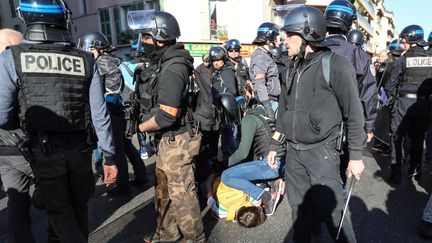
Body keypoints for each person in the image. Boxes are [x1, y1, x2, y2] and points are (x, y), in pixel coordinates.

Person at [0, 1, 118, 242]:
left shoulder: (12, 58)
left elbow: (2, 114)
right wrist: (109, 157)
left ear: (27, 17)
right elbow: (99, 115)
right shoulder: (86, 59)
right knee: (79, 210)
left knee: (60, 214)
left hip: (43, 151)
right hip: (81, 150)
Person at [272, 6, 366, 242]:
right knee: (300, 213)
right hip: (294, 154)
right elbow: (284, 111)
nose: (285, 40)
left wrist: (355, 155)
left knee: (334, 217)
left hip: (322, 153)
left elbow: (354, 112)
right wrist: (275, 145)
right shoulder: (290, 67)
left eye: (290, 34)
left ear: (307, 35)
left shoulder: (336, 65)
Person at [127, 10, 204, 242]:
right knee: (163, 191)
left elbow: (167, 116)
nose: (144, 41)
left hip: (177, 140)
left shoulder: (173, 67)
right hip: (167, 141)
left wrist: (138, 129)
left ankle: (195, 239)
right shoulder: (164, 62)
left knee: (182, 196)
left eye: (147, 37)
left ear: (160, 38)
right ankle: (168, 235)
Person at [78, 32, 149, 196]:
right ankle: (141, 175)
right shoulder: (112, 61)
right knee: (126, 146)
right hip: (119, 110)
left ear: (96, 49)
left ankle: (123, 185)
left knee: (117, 149)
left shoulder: (101, 63)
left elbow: (104, 93)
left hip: (110, 109)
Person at [0, 28, 35, 243]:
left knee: (16, 201)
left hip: (4, 149)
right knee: (55, 193)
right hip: (22, 147)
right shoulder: (9, 69)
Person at [221, 99, 286, 216]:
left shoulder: (249, 119)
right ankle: (274, 181)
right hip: (281, 161)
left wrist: (223, 165)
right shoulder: (265, 115)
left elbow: (243, 153)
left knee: (226, 175)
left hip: (269, 164)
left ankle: (267, 196)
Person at [325, 0, 377, 144]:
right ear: (349, 25)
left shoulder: (310, 49)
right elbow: (368, 94)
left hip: (308, 127)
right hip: (344, 126)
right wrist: (369, 127)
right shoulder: (358, 54)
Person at [387, 24, 432, 184]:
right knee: (419, 138)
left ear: (410, 40)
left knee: (397, 138)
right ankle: (415, 169)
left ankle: (396, 173)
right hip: (423, 105)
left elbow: (390, 84)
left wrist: (393, 98)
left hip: (403, 104)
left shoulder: (404, 59)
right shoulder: (431, 60)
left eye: (404, 40)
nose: (403, 44)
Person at [209, 46, 239, 164]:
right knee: (225, 138)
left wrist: (219, 98)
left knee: (228, 138)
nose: (216, 63)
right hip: (219, 109)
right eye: (213, 60)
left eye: (218, 60)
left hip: (226, 110)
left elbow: (232, 91)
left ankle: (234, 161)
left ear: (224, 59)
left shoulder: (227, 71)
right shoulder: (217, 71)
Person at [250, 22, 281, 120]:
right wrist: (268, 107)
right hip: (268, 102)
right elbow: (259, 83)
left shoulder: (266, 55)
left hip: (272, 101)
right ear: (268, 40)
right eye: (275, 38)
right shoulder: (261, 57)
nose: (277, 42)